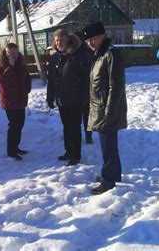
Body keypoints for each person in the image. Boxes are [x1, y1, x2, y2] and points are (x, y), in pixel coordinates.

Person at [82, 21, 127, 195]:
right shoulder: (99, 54)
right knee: (107, 145)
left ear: (101, 36)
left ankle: (109, 180)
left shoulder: (111, 54)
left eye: (92, 39)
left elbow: (115, 86)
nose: (89, 43)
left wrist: (109, 112)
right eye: (87, 41)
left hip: (108, 109)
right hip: (100, 108)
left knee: (109, 146)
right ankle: (111, 174)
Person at [47, 29, 92, 166]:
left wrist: (85, 97)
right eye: (57, 40)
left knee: (75, 126)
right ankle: (68, 151)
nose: (60, 42)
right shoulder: (55, 57)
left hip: (76, 98)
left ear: (68, 40)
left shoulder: (77, 55)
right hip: (62, 99)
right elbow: (52, 80)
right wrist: (50, 97)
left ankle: (76, 155)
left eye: (62, 39)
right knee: (66, 126)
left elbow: (86, 78)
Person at [0, 43, 32, 160]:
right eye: (11, 53)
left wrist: (27, 88)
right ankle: (11, 151)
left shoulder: (21, 64)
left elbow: (26, 77)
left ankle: (16, 147)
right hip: (10, 101)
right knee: (14, 125)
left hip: (20, 99)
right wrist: (10, 66)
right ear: (5, 53)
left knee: (20, 124)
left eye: (16, 53)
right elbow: (3, 80)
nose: (14, 56)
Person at [74, 31, 95, 144]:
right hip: (83, 87)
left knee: (85, 114)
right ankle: (87, 135)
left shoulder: (85, 52)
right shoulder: (85, 52)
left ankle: (88, 135)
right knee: (85, 114)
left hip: (85, 87)